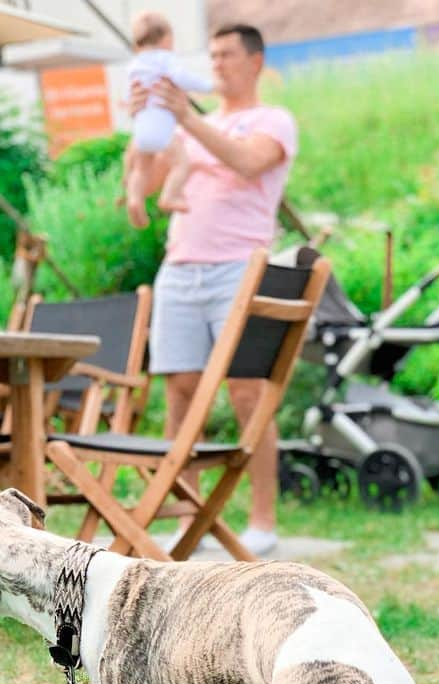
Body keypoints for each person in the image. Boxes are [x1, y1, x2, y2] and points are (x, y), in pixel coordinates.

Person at [129, 23, 296, 558]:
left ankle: (262, 521)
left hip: (238, 271)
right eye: (213, 55)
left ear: (255, 61)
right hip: (180, 270)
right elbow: (148, 186)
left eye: (227, 55)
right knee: (179, 393)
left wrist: (185, 118)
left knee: (249, 393)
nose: (217, 64)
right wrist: (146, 123)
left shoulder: (271, 121)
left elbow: (248, 162)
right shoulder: (190, 127)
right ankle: (187, 519)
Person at [124, 11, 213, 229]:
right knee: (181, 162)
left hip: (141, 129)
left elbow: (129, 97)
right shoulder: (166, 59)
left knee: (140, 169)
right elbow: (183, 78)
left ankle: (134, 199)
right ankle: (170, 195)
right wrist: (210, 86)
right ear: (166, 39)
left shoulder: (135, 65)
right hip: (163, 130)